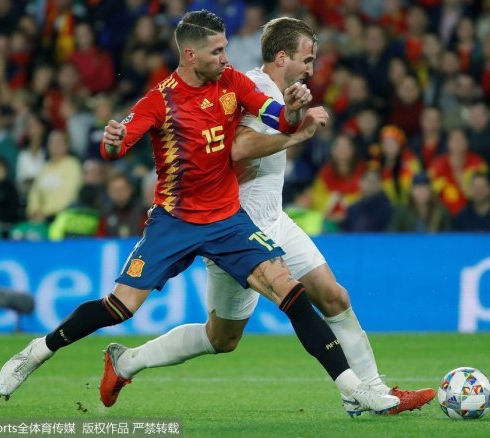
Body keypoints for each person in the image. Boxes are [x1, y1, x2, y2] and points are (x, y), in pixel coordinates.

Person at [0, 10, 399, 415]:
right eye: (217, 51)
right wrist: (113, 141)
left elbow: (276, 117)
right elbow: (115, 146)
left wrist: (293, 111)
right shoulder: (160, 100)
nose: (226, 58)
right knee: (120, 307)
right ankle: (38, 351)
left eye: (225, 49)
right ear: (190, 55)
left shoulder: (232, 82)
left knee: (291, 293)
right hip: (175, 221)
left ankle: (355, 389)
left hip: (227, 220)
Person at [99, 16, 434, 417]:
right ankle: (127, 362)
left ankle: (371, 391)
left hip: (274, 219)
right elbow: (237, 148)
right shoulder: (250, 88)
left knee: (333, 295)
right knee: (222, 338)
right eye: (307, 59)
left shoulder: (278, 94)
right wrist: (294, 134)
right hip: (234, 226)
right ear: (282, 57)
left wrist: (293, 122)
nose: (311, 68)